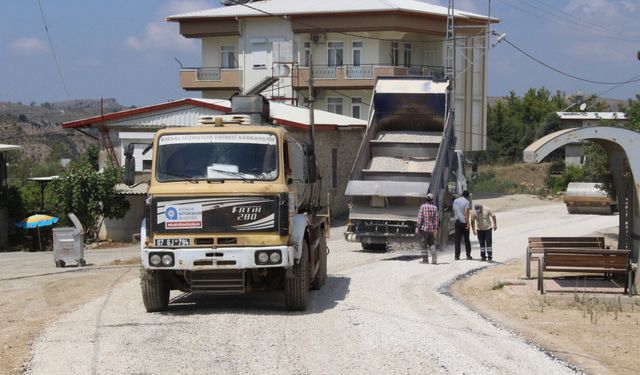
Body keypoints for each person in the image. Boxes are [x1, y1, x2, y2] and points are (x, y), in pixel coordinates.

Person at [415, 193, 438, 264]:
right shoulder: (435, 208)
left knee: (423, 244)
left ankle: (425, 260)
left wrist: (417, 227)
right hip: (431, 229)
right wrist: (435, 229)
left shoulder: (423, 207)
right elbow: (435, 219)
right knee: (432, 243)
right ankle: (434, 258)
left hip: (424, 229)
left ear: (426, 199)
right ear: (432, 200)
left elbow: (420, 218)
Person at [452, 190, 472, 260]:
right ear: (467, 196)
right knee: (466, 239)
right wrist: (468, 224)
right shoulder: (467, 202)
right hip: (464, 222)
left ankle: (457, 256)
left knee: (457, 240)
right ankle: (468, 255)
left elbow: (454, 210)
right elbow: (466, 213)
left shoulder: (456, 201)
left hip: (457, 222)